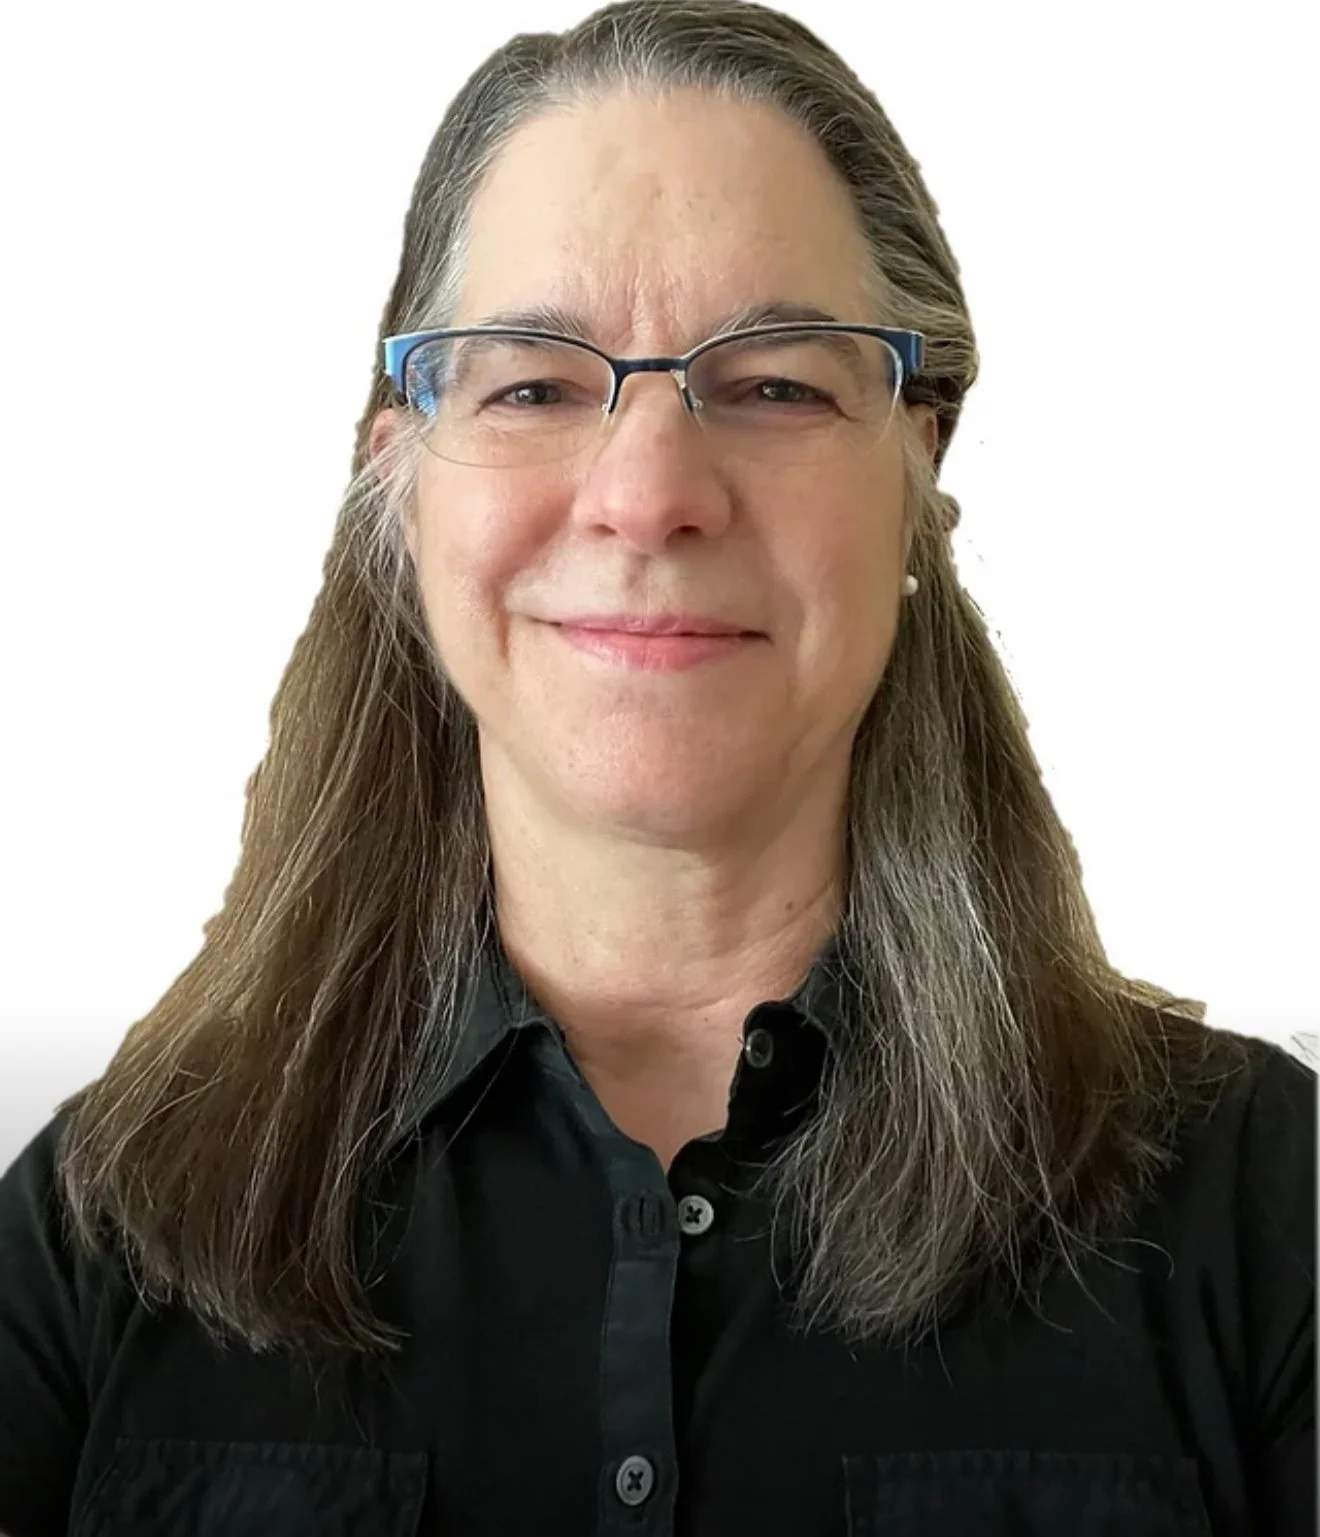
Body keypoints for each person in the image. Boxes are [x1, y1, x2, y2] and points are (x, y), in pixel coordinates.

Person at [0, 1, 1313, 1532]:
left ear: (918, 466)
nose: (646, 491)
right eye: (533, 385)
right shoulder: (101, 1230)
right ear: (398, 488)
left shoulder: (1266, 1210)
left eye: (775, 384)